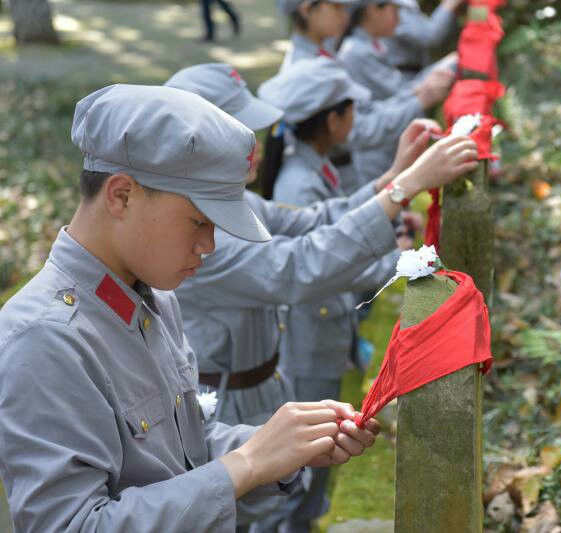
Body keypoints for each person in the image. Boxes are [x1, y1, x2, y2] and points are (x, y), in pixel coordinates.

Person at [0, 84, 383, 532]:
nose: (209, 245)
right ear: (121, 195)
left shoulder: (154, 297)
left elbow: (184, 450)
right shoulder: (45, 339)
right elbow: (72, 525)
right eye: (199, 221)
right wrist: (247, 463)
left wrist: (281, 444)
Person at [165, 63, 477, 531]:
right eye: (240, 132)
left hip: (263, 385)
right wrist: (403, 187)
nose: (255, 144)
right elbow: (299, 265)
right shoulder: (194, 226)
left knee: (280, 500)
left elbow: (308, 221)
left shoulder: (229, 202)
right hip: (225, 404)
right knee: (248, 512)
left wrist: (391, 178)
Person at [259, 57, 443, 532]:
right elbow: (322, 262)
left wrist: (399, 176)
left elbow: (336, 223)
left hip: (322, 334)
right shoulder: (298, 180)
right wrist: (399, 256)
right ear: (335, 119)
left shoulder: (314, 166)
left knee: (317, 463)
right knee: (297, 472)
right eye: (352, 110)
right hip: (305, 342)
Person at [274, 0, 451, 191]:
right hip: (329, 182)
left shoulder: (325, 55)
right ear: (307, 9)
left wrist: (418, 95)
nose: (345, 14)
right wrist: (419, 100)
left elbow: (365, 108)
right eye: (336, 7)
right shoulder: (306, 69)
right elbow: (358, 129)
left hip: (343, 175)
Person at [338, 0, 456, 178]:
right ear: (372, 11)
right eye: (395, 11)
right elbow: (400, 93)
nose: (399, 19)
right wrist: (428, 87)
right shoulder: (356, 52)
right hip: (375, 151)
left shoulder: (372, 46)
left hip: (386, 143)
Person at [385, 0, 463, 80]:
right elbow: (430, 37)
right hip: (401, 78)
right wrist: (450, 4)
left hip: (406, 75)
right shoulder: (396, 5)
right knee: (454, 63)